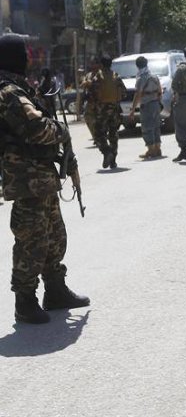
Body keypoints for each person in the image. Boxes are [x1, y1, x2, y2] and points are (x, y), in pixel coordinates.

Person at [0, 34, 90, 324]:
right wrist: (61, 130)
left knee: (54, 235)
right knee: (32, 240)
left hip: (40, 177)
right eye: (24, 54)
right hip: (26, 180)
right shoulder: (8, 92)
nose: (29, 59)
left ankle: (55, 290)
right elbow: (37, 128)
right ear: (14, 57)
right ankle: (25, 301)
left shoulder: (21, 88)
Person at [84, 54, 126, 169]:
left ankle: (107, 152)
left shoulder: (98, 77)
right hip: (115, 110)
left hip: (101, 110)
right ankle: (113, 161)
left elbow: (91, 93)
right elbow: (124, 93)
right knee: (113, 134)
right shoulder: (116, 76)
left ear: (101, 65)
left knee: (98, 133)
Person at [130, 56, 163, 159]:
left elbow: (138, 94)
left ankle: (151, 150)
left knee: (147, 127)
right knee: (156, 126)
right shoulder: (154, 76)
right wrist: (158, 102)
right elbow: (160, 91)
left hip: (146, 105)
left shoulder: (141, 78)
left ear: (137, 66)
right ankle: (157, 148)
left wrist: (132, 109)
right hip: (155, 104)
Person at [80, 58, 100, 141]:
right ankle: (95, 137)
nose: (92, 66)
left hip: (100, 101)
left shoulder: (101, 74)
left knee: (100, 120)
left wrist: (90, 83)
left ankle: (101, 137)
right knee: (87, 117)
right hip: (90, 101)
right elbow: (83, 84)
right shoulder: (89, 75)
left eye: (94, 64)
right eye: (91, 64)